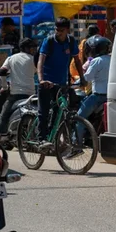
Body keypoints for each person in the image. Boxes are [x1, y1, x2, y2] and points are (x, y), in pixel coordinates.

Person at [37, 17, 84, 148]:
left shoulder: (71, 42)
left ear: (67, 30)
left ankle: (52, 140)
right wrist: (41, 80)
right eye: (56, 29)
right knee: (44, 111)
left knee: (59, 112)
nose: (58, 32)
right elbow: (41, 61)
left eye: (61, 30)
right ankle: (42, 138)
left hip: (62, 83)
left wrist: (83, 78)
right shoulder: (49, 41)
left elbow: (77, 61)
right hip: (47, 82)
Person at [75, 36, 111, 147]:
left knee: (79, 118)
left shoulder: (97, 61)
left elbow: (87, 78)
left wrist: (75, 83)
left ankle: (77, 145)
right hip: (110, 96)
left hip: (98, 97)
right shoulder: (112, 59)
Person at [0, 38, 37, 139]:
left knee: (3, 116)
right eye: (32, 48)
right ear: (26, 48)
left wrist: (4, 87)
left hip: (15, 94)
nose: (33, 50)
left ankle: (2, 136)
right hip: (31, 94)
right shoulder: (34, 60)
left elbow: (2, 71)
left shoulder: (11, 58)